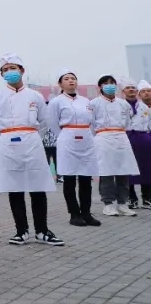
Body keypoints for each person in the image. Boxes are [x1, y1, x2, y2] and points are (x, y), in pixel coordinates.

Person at [0, 54, 64, 246]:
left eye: (13, 68)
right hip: (7, 142)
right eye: (5, 70)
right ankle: (21, 231)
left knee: (37, 187)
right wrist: (1, 141)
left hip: (32, 143)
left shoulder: (35, 96)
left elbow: (45, 121)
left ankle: (42, 230)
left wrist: (33, 138)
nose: (9, 72)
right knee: (15, 188)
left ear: (22, 70)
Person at [48, 70, 99, 227]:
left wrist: (86, 135)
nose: (71, 81)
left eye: (73, 78)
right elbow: (53, 123)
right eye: (67, 79)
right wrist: (65, 135)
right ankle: (74, 213)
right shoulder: (56, 101)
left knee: (85, 178)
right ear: (60, 84)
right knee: (69, 179)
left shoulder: (86, 101)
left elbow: (92, 122)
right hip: (67, 138)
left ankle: (86, 213)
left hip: (86, 139)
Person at [90, 75, 139, 217]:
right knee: (106, 173)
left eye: (112, 83)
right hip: (103, 138)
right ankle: (108, 204)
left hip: (121, 137)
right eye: (106, 83)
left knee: (123, 172)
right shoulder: (94, 103)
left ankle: (123, 203)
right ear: (100, 87)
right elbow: (91, 125)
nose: (110, 86)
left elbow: (128, 123)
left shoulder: (123, 104)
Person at [128, 81, 151, 209]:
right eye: (143, 91)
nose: (147, 93)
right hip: (132, 139)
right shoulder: (132, 106)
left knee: (147, 169)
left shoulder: (145, 108)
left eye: (149, 90)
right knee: (130, 169)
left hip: (146, 139)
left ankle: (147, 198)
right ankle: (131, 198)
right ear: (139, 94)